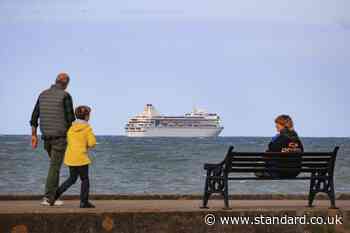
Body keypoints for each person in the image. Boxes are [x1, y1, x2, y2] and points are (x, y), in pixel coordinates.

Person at [30, 73, 75, 206]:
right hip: (60, 138)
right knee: (54, 167)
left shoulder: (42, 94)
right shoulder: (65, 96)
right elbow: (70, 119)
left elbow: (34, 117)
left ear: (55, 81)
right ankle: (48, 198)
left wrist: (33, 135)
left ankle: (52, 197)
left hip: (46, 138)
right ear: (66, 84)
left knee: (55, 167)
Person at [49, 106, 96, 208]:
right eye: (89, 115)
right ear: (87, 116)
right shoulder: (87, 128)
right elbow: (92, 143)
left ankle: (54, 196)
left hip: (71, 158)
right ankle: (84, 202)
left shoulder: (71, 128)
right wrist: (85, 145)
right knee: (85, 180)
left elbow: (69, 141)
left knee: (72, 179)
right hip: (81, 158)